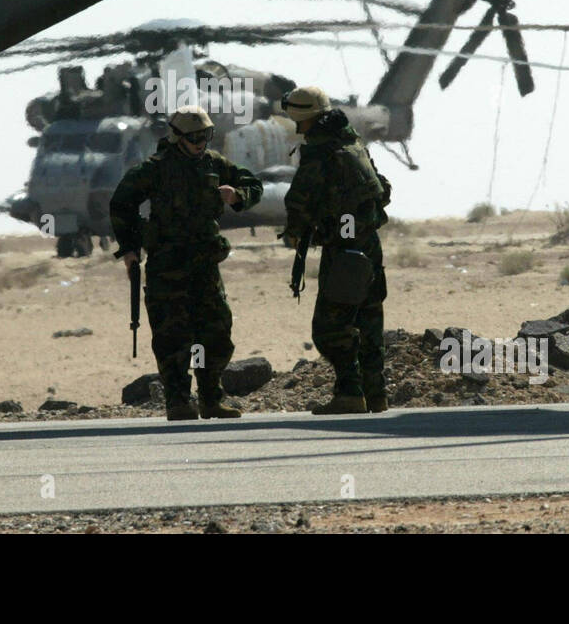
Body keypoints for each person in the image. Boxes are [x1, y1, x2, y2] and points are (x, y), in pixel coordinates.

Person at [110, 106, 263, 421]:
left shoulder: (214, 163)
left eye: (205, 135)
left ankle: (210, 398)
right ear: (177, 136)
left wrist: (237, 196)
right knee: (172, 338)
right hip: (167, 267)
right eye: (194, 136)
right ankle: (178, 401)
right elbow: (121, 203)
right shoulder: (155, 169)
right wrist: (129, 249)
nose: (200, 142)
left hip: (205, 268)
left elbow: (253, 185)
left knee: (216, 334)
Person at [281, 87, 392, 414]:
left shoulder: (319, 152)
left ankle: (350, 392)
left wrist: (295, 233)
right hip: (369, 246)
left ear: (304, 119)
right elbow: (382, 191)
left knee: (330, 327)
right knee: (369, 321)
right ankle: (376, 393)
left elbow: (298, 201)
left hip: (342, 252)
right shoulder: (353, 143)